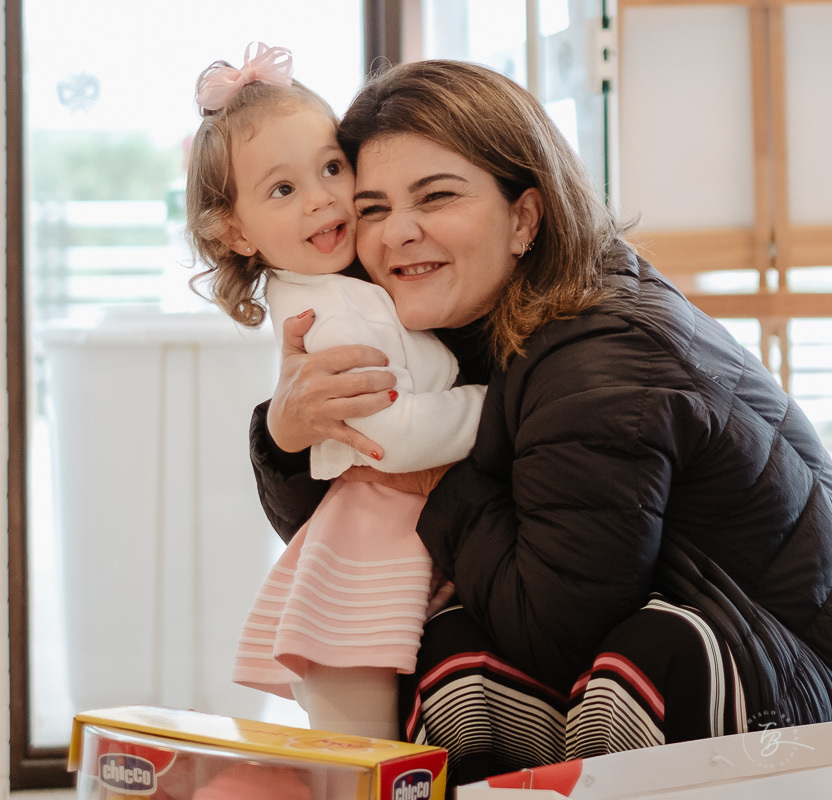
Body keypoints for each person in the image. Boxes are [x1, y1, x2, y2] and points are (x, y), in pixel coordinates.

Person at [248, 59, 832, 783]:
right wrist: (288, 434)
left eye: (436, 196)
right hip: (702, 659)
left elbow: (554, 629)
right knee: (431, 636)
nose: (398, 232)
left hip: (783, 706)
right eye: (372, 208)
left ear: (524, 216)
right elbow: (349, 508)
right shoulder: (462, 322)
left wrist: (429, 474)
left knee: (480, 652)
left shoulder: (597, 359)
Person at [184, 43, 485, 739]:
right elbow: (386, 434)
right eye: (283, 190)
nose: (322, 197)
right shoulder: (329, 315)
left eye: (331, 168)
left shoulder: (347, 287)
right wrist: (496, 408)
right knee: (362, 763)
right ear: (235, 231)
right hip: (362, 568)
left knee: (374, 761)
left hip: (386, 547)